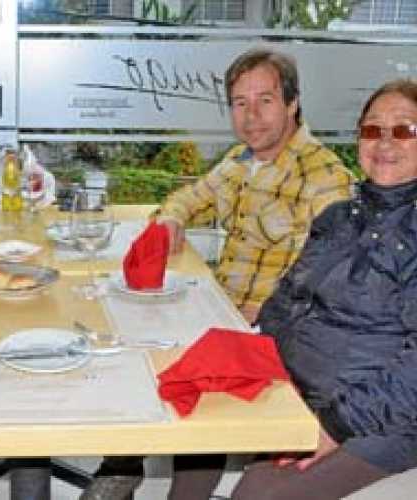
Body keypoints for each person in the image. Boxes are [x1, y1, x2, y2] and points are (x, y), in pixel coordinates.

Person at [80, 48, 355, 500]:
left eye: (265, 100)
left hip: (270, 333)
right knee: (119, 329)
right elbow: (187, 198)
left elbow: (325, 284)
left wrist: (255, 313)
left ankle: (145, 475)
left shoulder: (325, 178)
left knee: (177, 368)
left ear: (292, 104)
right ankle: (124, 459)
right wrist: (171, 222)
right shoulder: (240, 161)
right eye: (240, 103)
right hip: (222, 310)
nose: (251, 116)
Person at [227, 78, 417, 499]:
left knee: (256, 495)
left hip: (383, 418)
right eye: (372, 129)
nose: (385, 143)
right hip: (298, 388)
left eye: (404, 130)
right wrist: (250, 357)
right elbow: (286, 302)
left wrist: (334, 425)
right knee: (196, 427)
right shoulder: (339, 217)